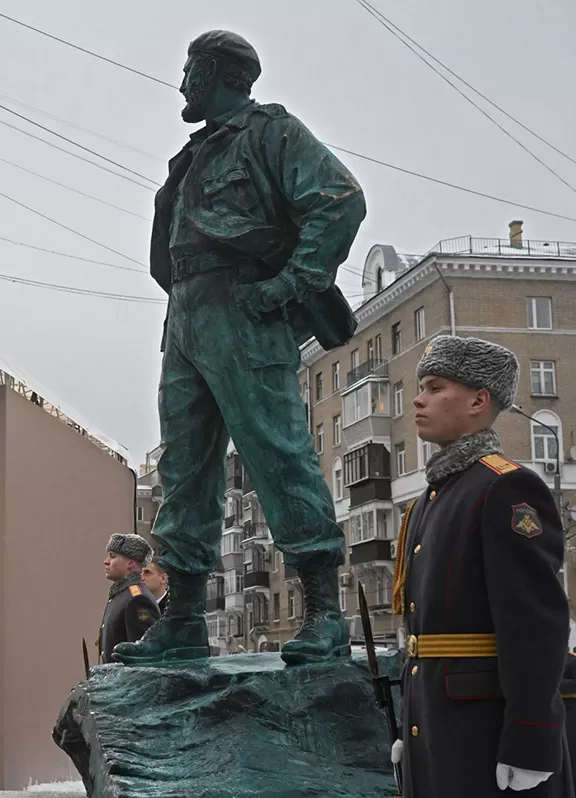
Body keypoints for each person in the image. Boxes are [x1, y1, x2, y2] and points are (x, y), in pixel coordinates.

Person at [114, 30, 365, 668]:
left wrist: (292, 282)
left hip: (243, 309)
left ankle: (323, 613)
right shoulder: (191, 156)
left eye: (190, 71)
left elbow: (339, 199)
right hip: (187, 314)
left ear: (218, 73)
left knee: (277, 452)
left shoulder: (270, 133)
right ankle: (183, 618)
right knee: (184, 469)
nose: (182, 84)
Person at [391, 335, 572, 796]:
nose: (418, 399)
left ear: (478, 400)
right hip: (439, 727)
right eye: (421, 388)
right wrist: (413, 727)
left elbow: (534, 623)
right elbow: (424, 637)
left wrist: (531, 738)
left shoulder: (505, 488)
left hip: (484, 732)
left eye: (435, 387)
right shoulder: (429, 500)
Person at [97, 534, 161, 665]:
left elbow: (142, 658)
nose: (106, 561)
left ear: (131, 563)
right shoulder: (122, 594)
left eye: (112, 556)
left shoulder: (137, 599)